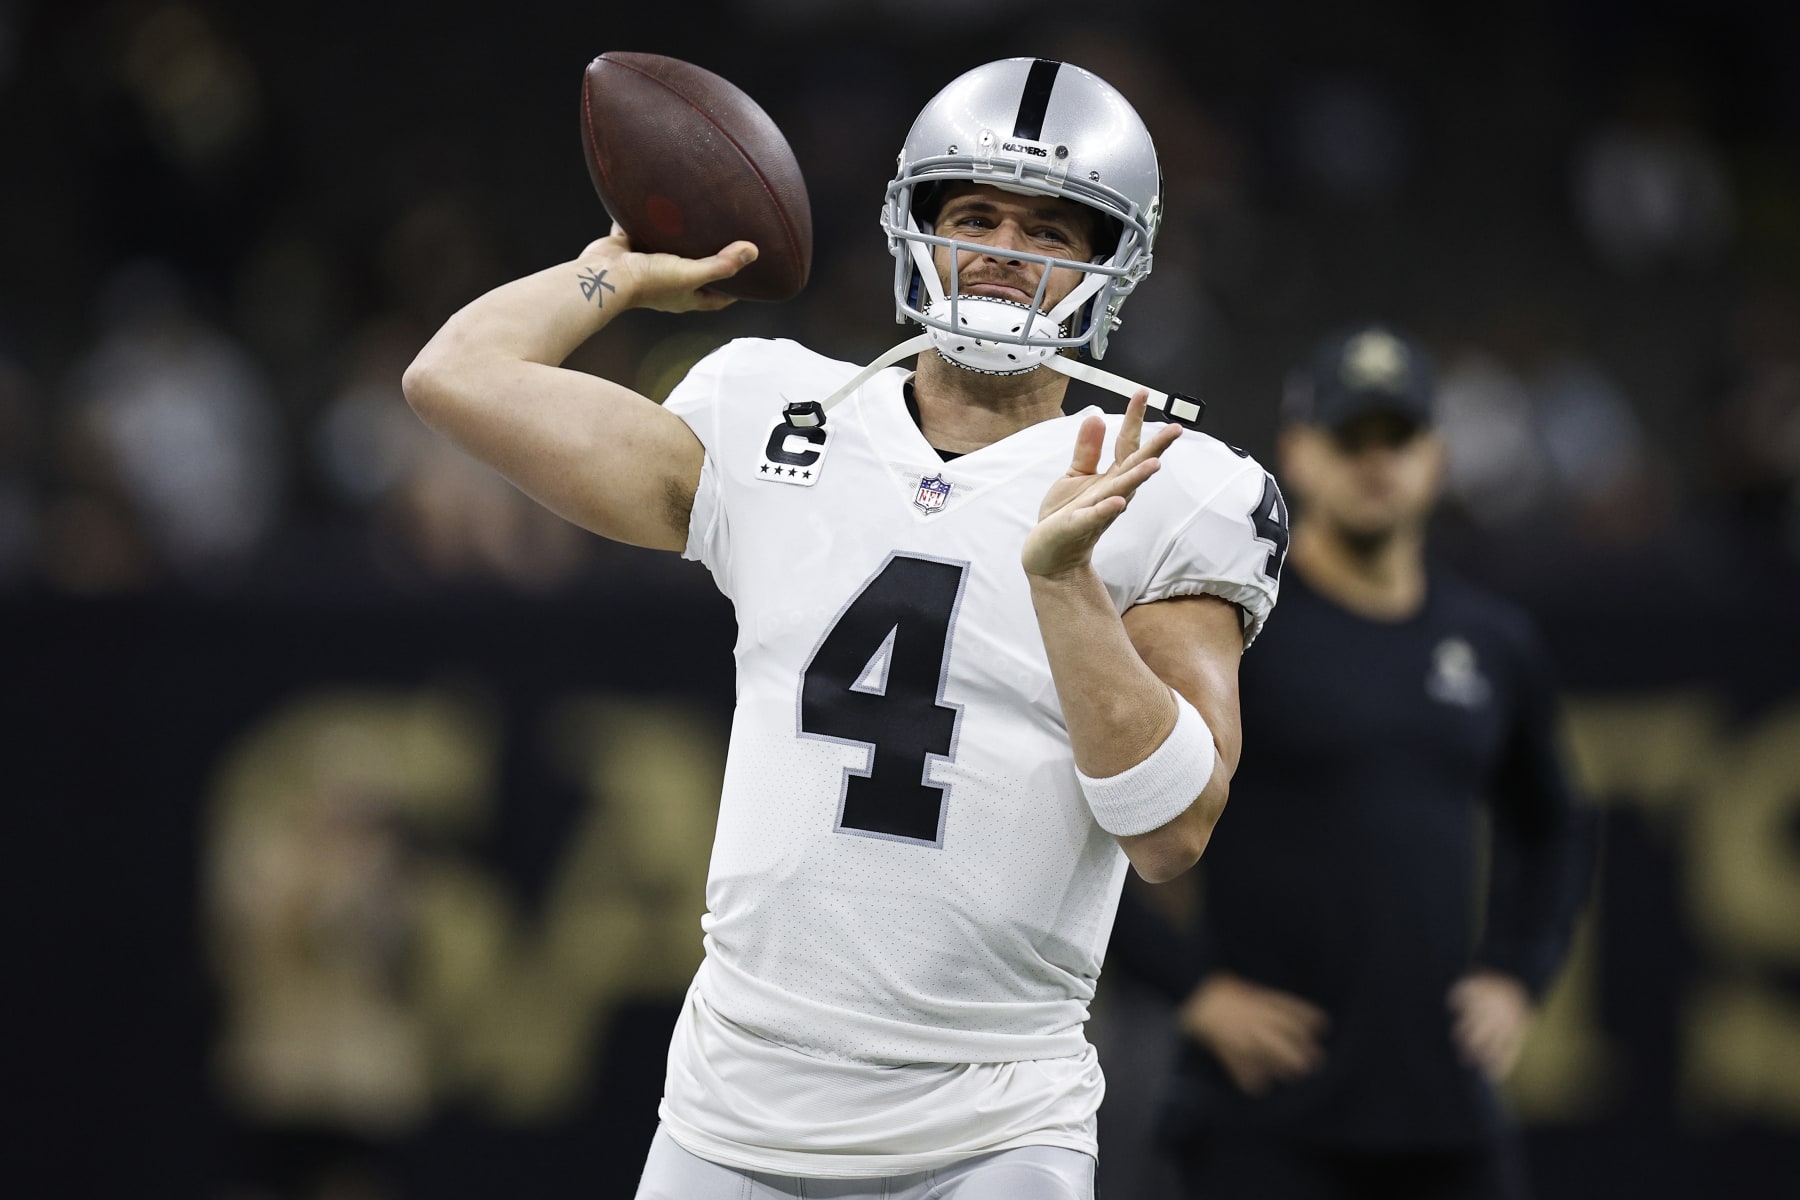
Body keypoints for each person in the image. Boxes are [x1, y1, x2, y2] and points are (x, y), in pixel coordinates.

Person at [402, 59, 1286, 1200]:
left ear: (1113, 261)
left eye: (1050, 228)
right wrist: (608, 272)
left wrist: (1066, 586)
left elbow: (1172, 830)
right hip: (731, 1108)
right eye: (975, 214)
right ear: (916, 226)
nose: (1007, 250)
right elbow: (453, 375)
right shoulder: (776, 414)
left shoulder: (1167, 482)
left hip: (990, 1123)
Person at [1107, 324, 1592, 1200]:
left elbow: (1554, 822)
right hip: (1264, 1114)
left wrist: (1517, 972)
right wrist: (1193, 992)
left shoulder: (1490, 641)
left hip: (1444, 1108)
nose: (1377, 463)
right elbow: (1099, 815)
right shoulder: (1237, 628)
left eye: (1397, 438)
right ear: (1297, 451)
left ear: (1436, 457)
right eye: (1349, 438)